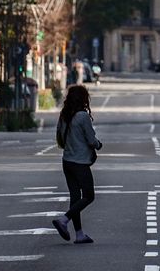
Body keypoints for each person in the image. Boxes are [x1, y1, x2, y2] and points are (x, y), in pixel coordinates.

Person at [53, 84, 102, 245]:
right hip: (80, 162)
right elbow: (91, 139)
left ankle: (79, 234)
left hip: (66, 160)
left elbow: (59, 137)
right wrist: (98, 144)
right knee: (88, 196)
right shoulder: (82, 116)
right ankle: (64, 219)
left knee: (75, 198)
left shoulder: (64, 115)